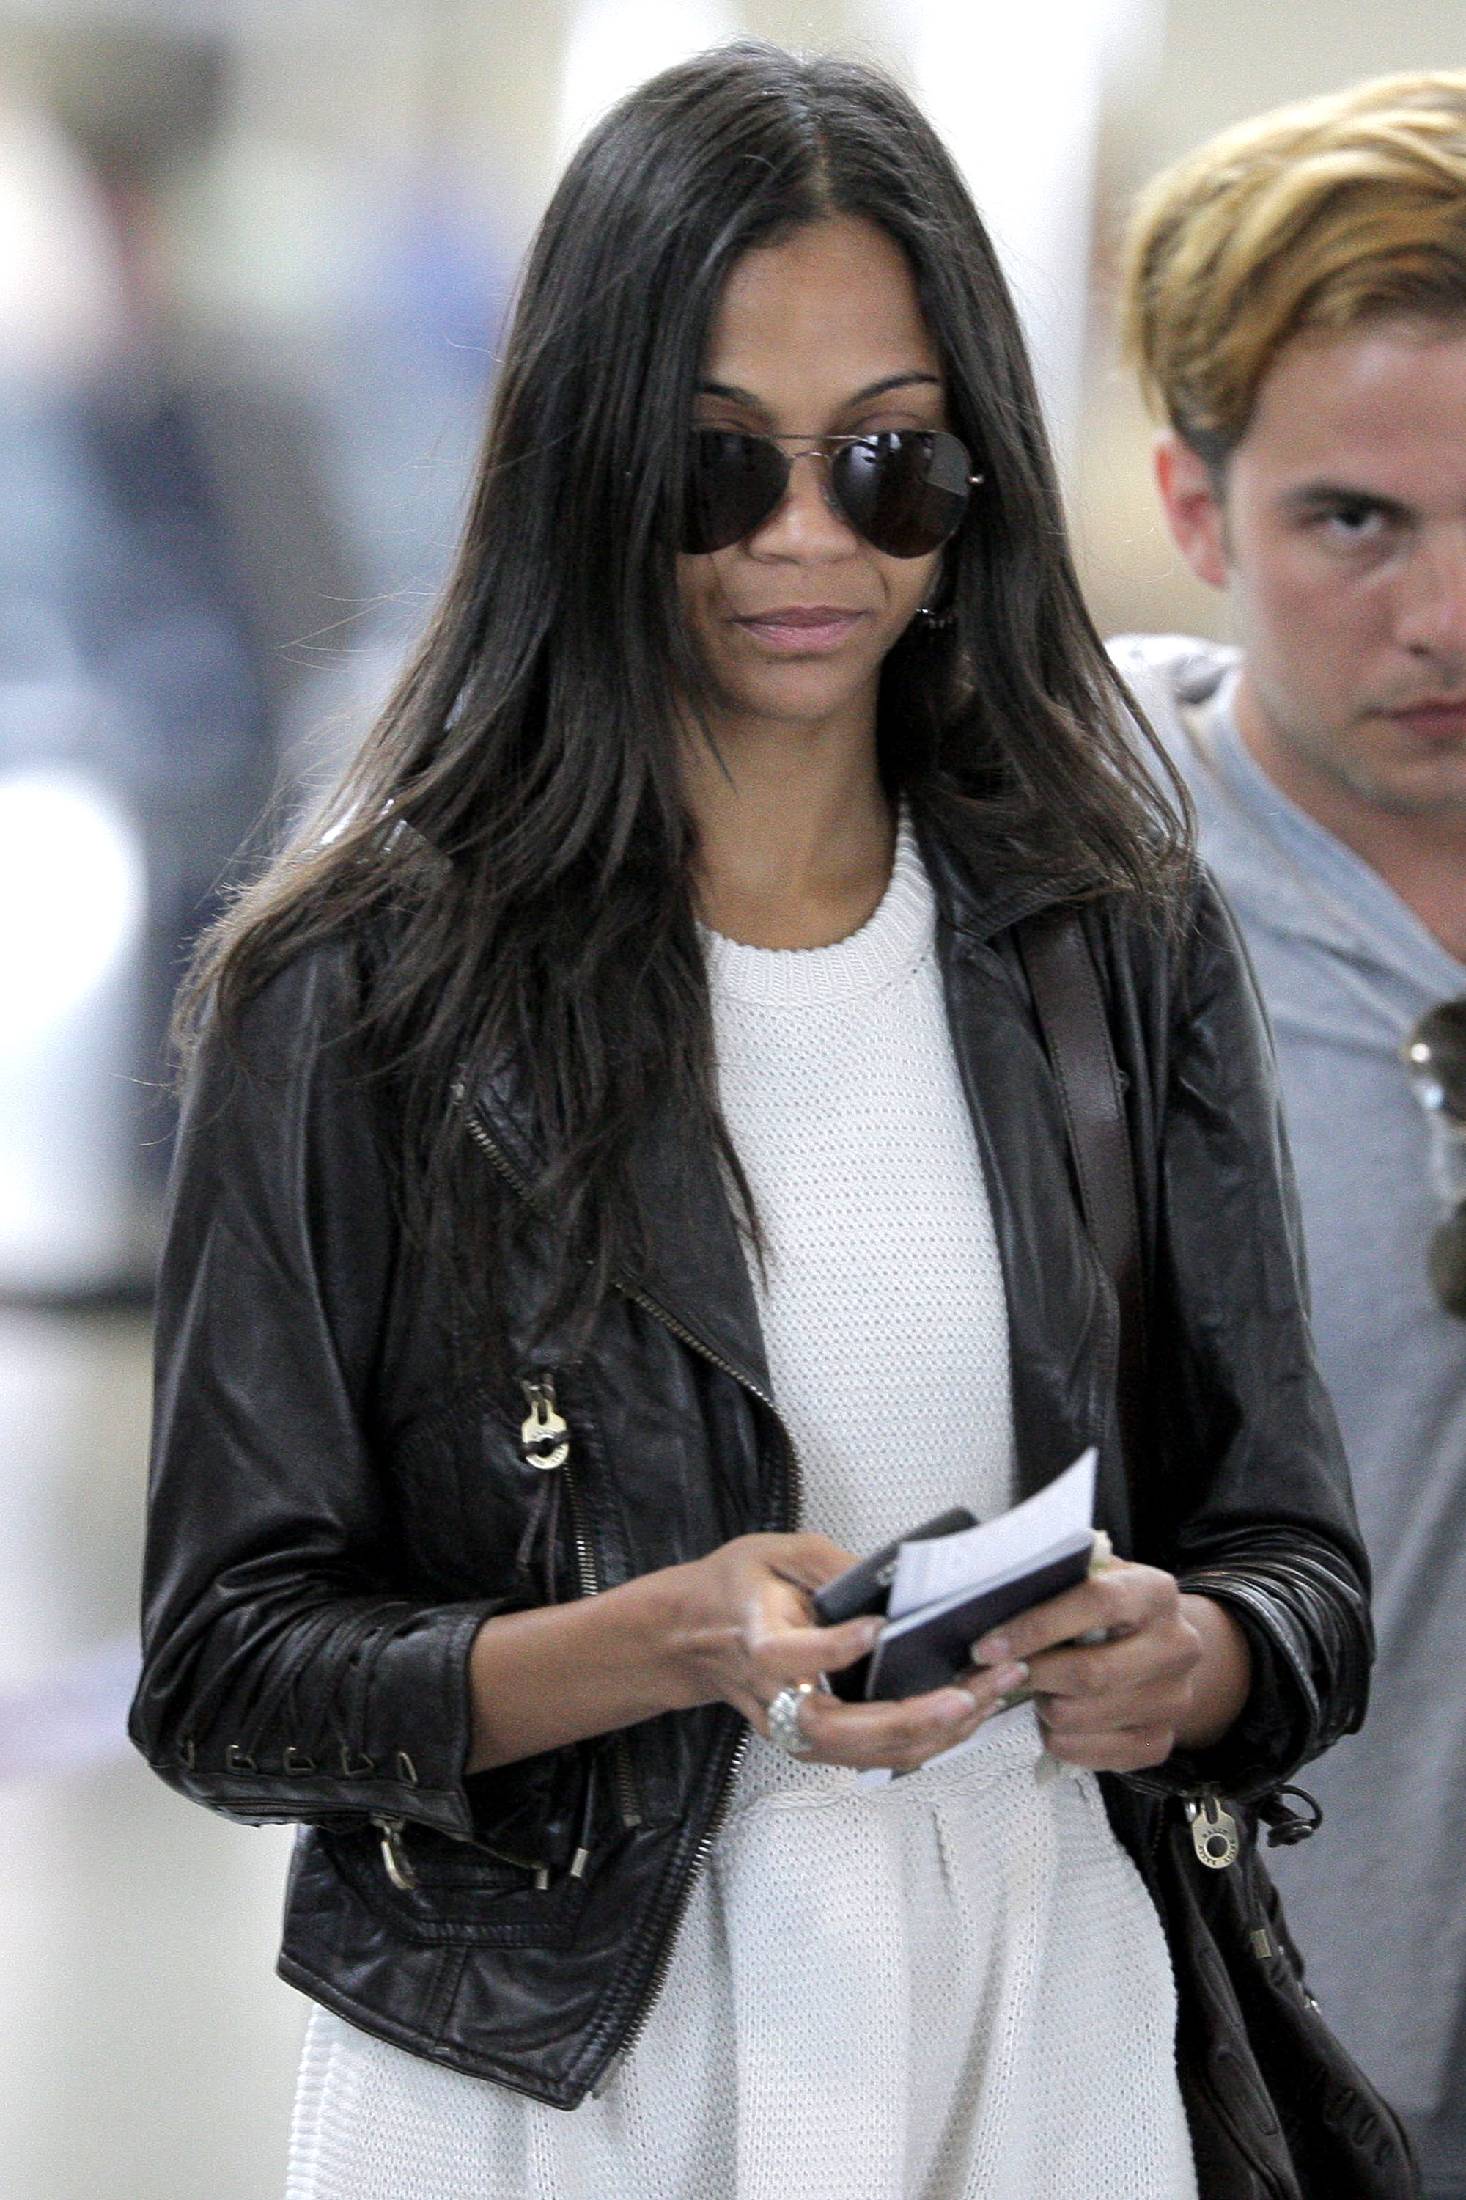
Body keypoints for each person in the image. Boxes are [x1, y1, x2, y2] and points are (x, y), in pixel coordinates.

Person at [130, 43, 1370, 2200]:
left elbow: (1296, 1564)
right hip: (553, 2073)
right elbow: (228, 1672)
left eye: (886, 463)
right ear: (590, 466)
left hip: (1038, 2016)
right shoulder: (355, 984)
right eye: (718, 470)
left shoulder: (1108, 932)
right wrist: (664, 1642)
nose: (808, 539)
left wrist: (1194, 1649)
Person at [1115, 70, 1466, 2200]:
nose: (1445, 618)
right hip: (1223, 2065)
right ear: (1192, 507)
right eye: (1356, 521)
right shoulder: (1046, 941)